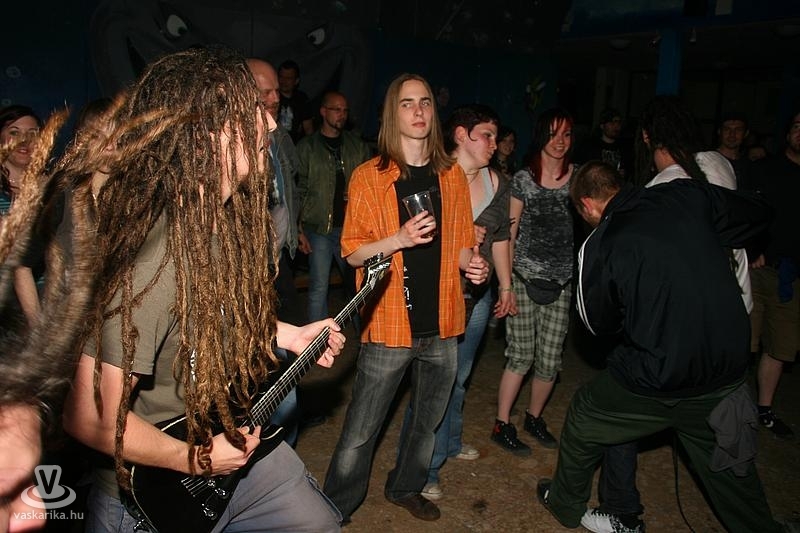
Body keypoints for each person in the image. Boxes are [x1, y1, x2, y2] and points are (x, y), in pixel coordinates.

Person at [61, 46, 345, 532]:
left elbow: (210, 315)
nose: (271, 124)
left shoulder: (223, 222)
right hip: (156, 485)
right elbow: (89, 416)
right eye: (251, 111)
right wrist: (193, 459)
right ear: (204, 133)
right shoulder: (153, 256)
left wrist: (287, 334)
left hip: (228, 431)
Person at [537, 160, 782, 533]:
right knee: (730, 469)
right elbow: (758, 212)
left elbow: (597, 324)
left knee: (586, 414)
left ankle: (565, 504)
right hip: (726, 372)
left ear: (587, 205)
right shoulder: (686, 194)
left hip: (655, 379)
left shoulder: (601, 242)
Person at [581, 95, 753, 533]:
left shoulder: (663, 190)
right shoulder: (718, 165)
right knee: (728, 431)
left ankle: (622, 512)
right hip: (733, 316)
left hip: (681, 328)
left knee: (623, 402)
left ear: (645, 137)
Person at [323, 73, 489, 524]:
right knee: (361, 430)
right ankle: (334, 506)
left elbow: (459, 245)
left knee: (426, 422)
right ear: (391, 114)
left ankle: (406, 487)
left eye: (426, 102)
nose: (419, 111)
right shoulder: (369, 177)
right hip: (390, 321)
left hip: (443, 322)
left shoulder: (451, 176)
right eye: (407, 103)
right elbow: (352, 252)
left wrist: (474, 265)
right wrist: (398, 239)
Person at [398, 103, 517, 501]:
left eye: (496, 136)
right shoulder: (431, 175)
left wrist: (505, 287)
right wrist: (460, 234)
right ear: (462, 136)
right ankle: (424, 469)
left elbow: (501, 238)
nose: (494, 143)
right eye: (487, 135)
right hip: (436, 294)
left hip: (476, 297)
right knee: (433, 384)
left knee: (459, 378)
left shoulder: (498, 183)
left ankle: (448, 444)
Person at [492, 107, 576, 455]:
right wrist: (507, 285)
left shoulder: (578, 178)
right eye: (553, 134)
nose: (560, 141)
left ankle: (534, 417)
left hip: (562, 282)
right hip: (525, 278)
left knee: (551, 359)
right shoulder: (524, 179)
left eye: (566, 134)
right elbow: (508, 234)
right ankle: (502, 423)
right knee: (521, 356)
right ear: (542, 135)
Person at [246, 57, 305, 446]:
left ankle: (281, 445)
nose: (272, 99)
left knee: (282, 355)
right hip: (249, 266)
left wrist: (294, 233)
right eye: (263, 91)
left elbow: (288, 189)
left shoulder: (278, 137)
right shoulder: (229, 154)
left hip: (277, 258)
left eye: (276, 93)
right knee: (259, 358)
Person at [296, 91, 371, 325]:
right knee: (319, 287)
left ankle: (365, 337)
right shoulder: (307, 147)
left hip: (351, 229)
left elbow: (370, 188)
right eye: (337, 109)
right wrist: (298, 229)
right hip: (319, 229)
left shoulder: (357, 146)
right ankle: (316, 339)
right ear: (323, 112)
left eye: (345, 110)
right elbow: (298, 190)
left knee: (358, 287)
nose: (342, 114)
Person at [748, 109, 800, 440]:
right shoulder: (765, 170)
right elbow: (746, 212)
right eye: (796, 125)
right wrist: (752, 248)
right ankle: (728, 406)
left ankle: (764, 409)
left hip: (792, 277)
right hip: (759, 270)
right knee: (745, 342)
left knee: (781, 346)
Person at [0, 105, 46, 328]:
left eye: (32, 133)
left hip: (54, 299)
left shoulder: (55, 189)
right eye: (14, 132)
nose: (24, 140)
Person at [573, 107, 632, 180]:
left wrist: (624, 173)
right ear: (602, 125)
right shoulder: (589, 146)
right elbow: (580, 168)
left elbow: (629, 169)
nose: (616, 126)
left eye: (618, 122)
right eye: (612, 122)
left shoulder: (624, 147)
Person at [277, 60, 313, 143]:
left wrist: (310, 146)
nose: (284, 81)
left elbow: (308, 129)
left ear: (296, 81)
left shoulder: (301, 99)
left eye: (288, 78)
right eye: (281, 77)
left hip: (294, 145)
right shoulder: (272, 96)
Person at [715, 111, 752, 189]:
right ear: (719, 132)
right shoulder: (709, 160)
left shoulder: (749, 166)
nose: (732, 134)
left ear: (746, 134)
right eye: (727, 129)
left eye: (738, 130)